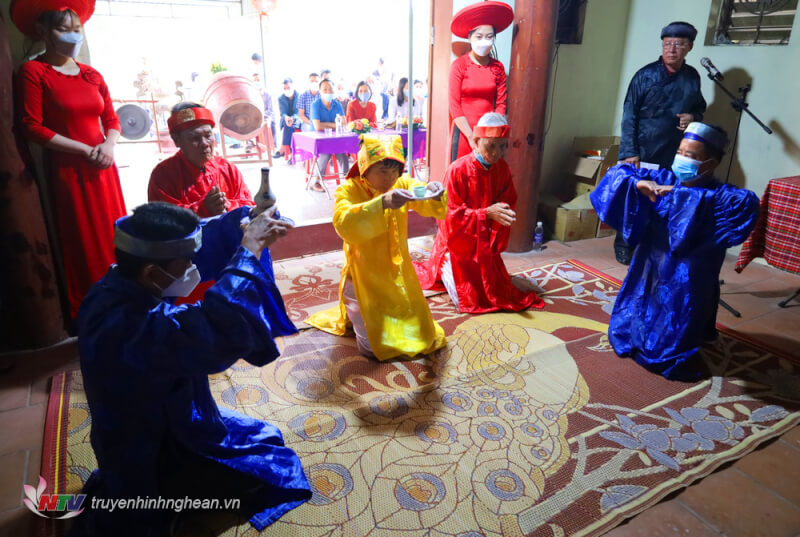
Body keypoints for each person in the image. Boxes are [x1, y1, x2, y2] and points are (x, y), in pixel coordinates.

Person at [73, 202, 310, 536]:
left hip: (172, 407)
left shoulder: (119, 285)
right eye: (187, 263)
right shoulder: (127, 327)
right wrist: (250, 250)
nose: (193, 267)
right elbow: (219, 326)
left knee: (265, 438)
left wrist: (243, 224)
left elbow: (204, 238)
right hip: (151, 445)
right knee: (266, 469)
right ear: (153, 274)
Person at [590, 123, 759, 381]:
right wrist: (638, 185)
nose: (681, 159)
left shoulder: (722, 198)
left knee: (668, 343)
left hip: (687, 284)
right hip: (649, 270)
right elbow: (617, 175)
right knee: (634, 319)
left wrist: (683, 195)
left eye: (691, 156)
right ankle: (636, 332)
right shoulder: (664, 179)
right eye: (680, 151)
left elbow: (747, 205)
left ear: (710, 163)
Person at [12, 0, 127, 321]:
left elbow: (112, 119)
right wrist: (83, 150)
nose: (73, 36)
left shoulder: (92, 75)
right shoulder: (34, 72)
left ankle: (127, 301)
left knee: (117, 233)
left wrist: (108, 145)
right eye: (64, 29)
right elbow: (32, 126)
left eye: (77, 30)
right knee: (83, 240)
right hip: (70, 170)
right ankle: (94, 312)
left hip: (104, 166)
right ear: (43, 31)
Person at [306, 134, 447, 360]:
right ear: (365, 167)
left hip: (396, 270)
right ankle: (359, 315)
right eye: (383, 171)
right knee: (372, 348)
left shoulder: (400, 184)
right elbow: (344, 222)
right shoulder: (349, 189)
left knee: (423, 335)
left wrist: (432, 189)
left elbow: (419, 190)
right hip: (363, 275)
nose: (389, 178)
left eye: (394, 170)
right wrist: (381, 203)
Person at [417, 113, 543, 313]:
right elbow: (449, 217)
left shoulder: (502, 169)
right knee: (466, 299)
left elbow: (508, 202)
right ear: (476, 142)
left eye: (502, 146)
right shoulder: (457, 170)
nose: (496, 153)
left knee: (497, 291)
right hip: (457, 246)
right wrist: (485, 214)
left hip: (484, 242)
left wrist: (500, 216)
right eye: (490, 146)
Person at [614, 21, 707, 265]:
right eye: (668, 44)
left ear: (689, 47)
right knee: (635, 200)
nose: (672, 49)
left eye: (678, 44)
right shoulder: (645, 75)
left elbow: (700, 107)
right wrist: (629, 152)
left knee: (665, 200)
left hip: (674, 151)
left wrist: (693, 117)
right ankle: (624, 244)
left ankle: (654, 244)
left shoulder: (692, 77)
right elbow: (629, 114)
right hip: (644, 148)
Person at [148, 103, 255, 218]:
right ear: (177, 140)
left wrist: (226, 205)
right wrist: (202, 209)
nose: (205, 144)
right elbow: (160, 218)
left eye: (208, 135)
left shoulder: (227, 169)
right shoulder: (163, 175)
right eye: (195, 138)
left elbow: (249, 206)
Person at [448, 1, 513, 162]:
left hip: (489, 133)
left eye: (489, 36)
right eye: (479, 36)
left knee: (486, 176)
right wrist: (471, 136)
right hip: (464, 132)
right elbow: (454, 106)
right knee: (461, 174)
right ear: (470, 37)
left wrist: (492, 133)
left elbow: (500, 104)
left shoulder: (497, 68)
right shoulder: (459, 65)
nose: (484, 40)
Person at [309, 79, 348, 191]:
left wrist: (326, 124)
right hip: (319, 139)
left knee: (343, 156)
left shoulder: (337, 104)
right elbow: (317, 127)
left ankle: (347, 180)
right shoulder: (315, 105)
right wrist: (336, 124)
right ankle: (315, 181)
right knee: (326, 154)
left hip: (334, 139)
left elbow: (344, 123)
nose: (328, 91)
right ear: (320, 91)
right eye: (325, 89)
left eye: (330, 89)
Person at [278, 77, 300, 163]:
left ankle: (284, 147)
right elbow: (282, 112)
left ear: (293, 86)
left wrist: (292, 118)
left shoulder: (299, 96)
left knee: (291, 126)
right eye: (285, 88)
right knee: (288, 125)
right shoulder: (281, 98)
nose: (287, 90)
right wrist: (286, 117)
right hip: (285, 119)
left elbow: (298, 112)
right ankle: (291, 154)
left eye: (288, 88)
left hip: (297, 118)